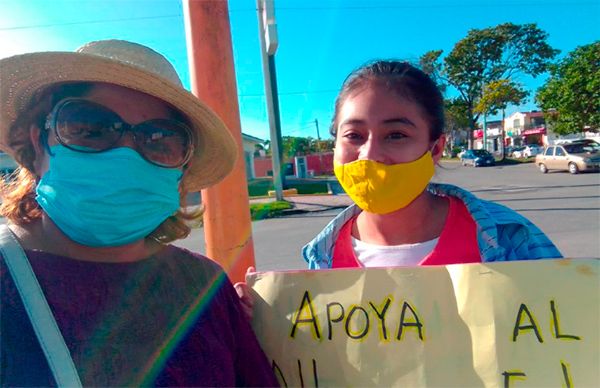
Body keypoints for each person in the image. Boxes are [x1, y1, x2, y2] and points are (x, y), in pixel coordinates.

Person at [0, 40, 278, 386]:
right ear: (38, 141)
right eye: (90, 128)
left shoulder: (206, 287)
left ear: (181, 170)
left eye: (159, 139)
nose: (126, 155)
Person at [302, 60, 562, 269]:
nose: (369, 155)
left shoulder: (512, 239)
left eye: (396, 135)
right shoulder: (324, 256)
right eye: (353, 136)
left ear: (435, 148)